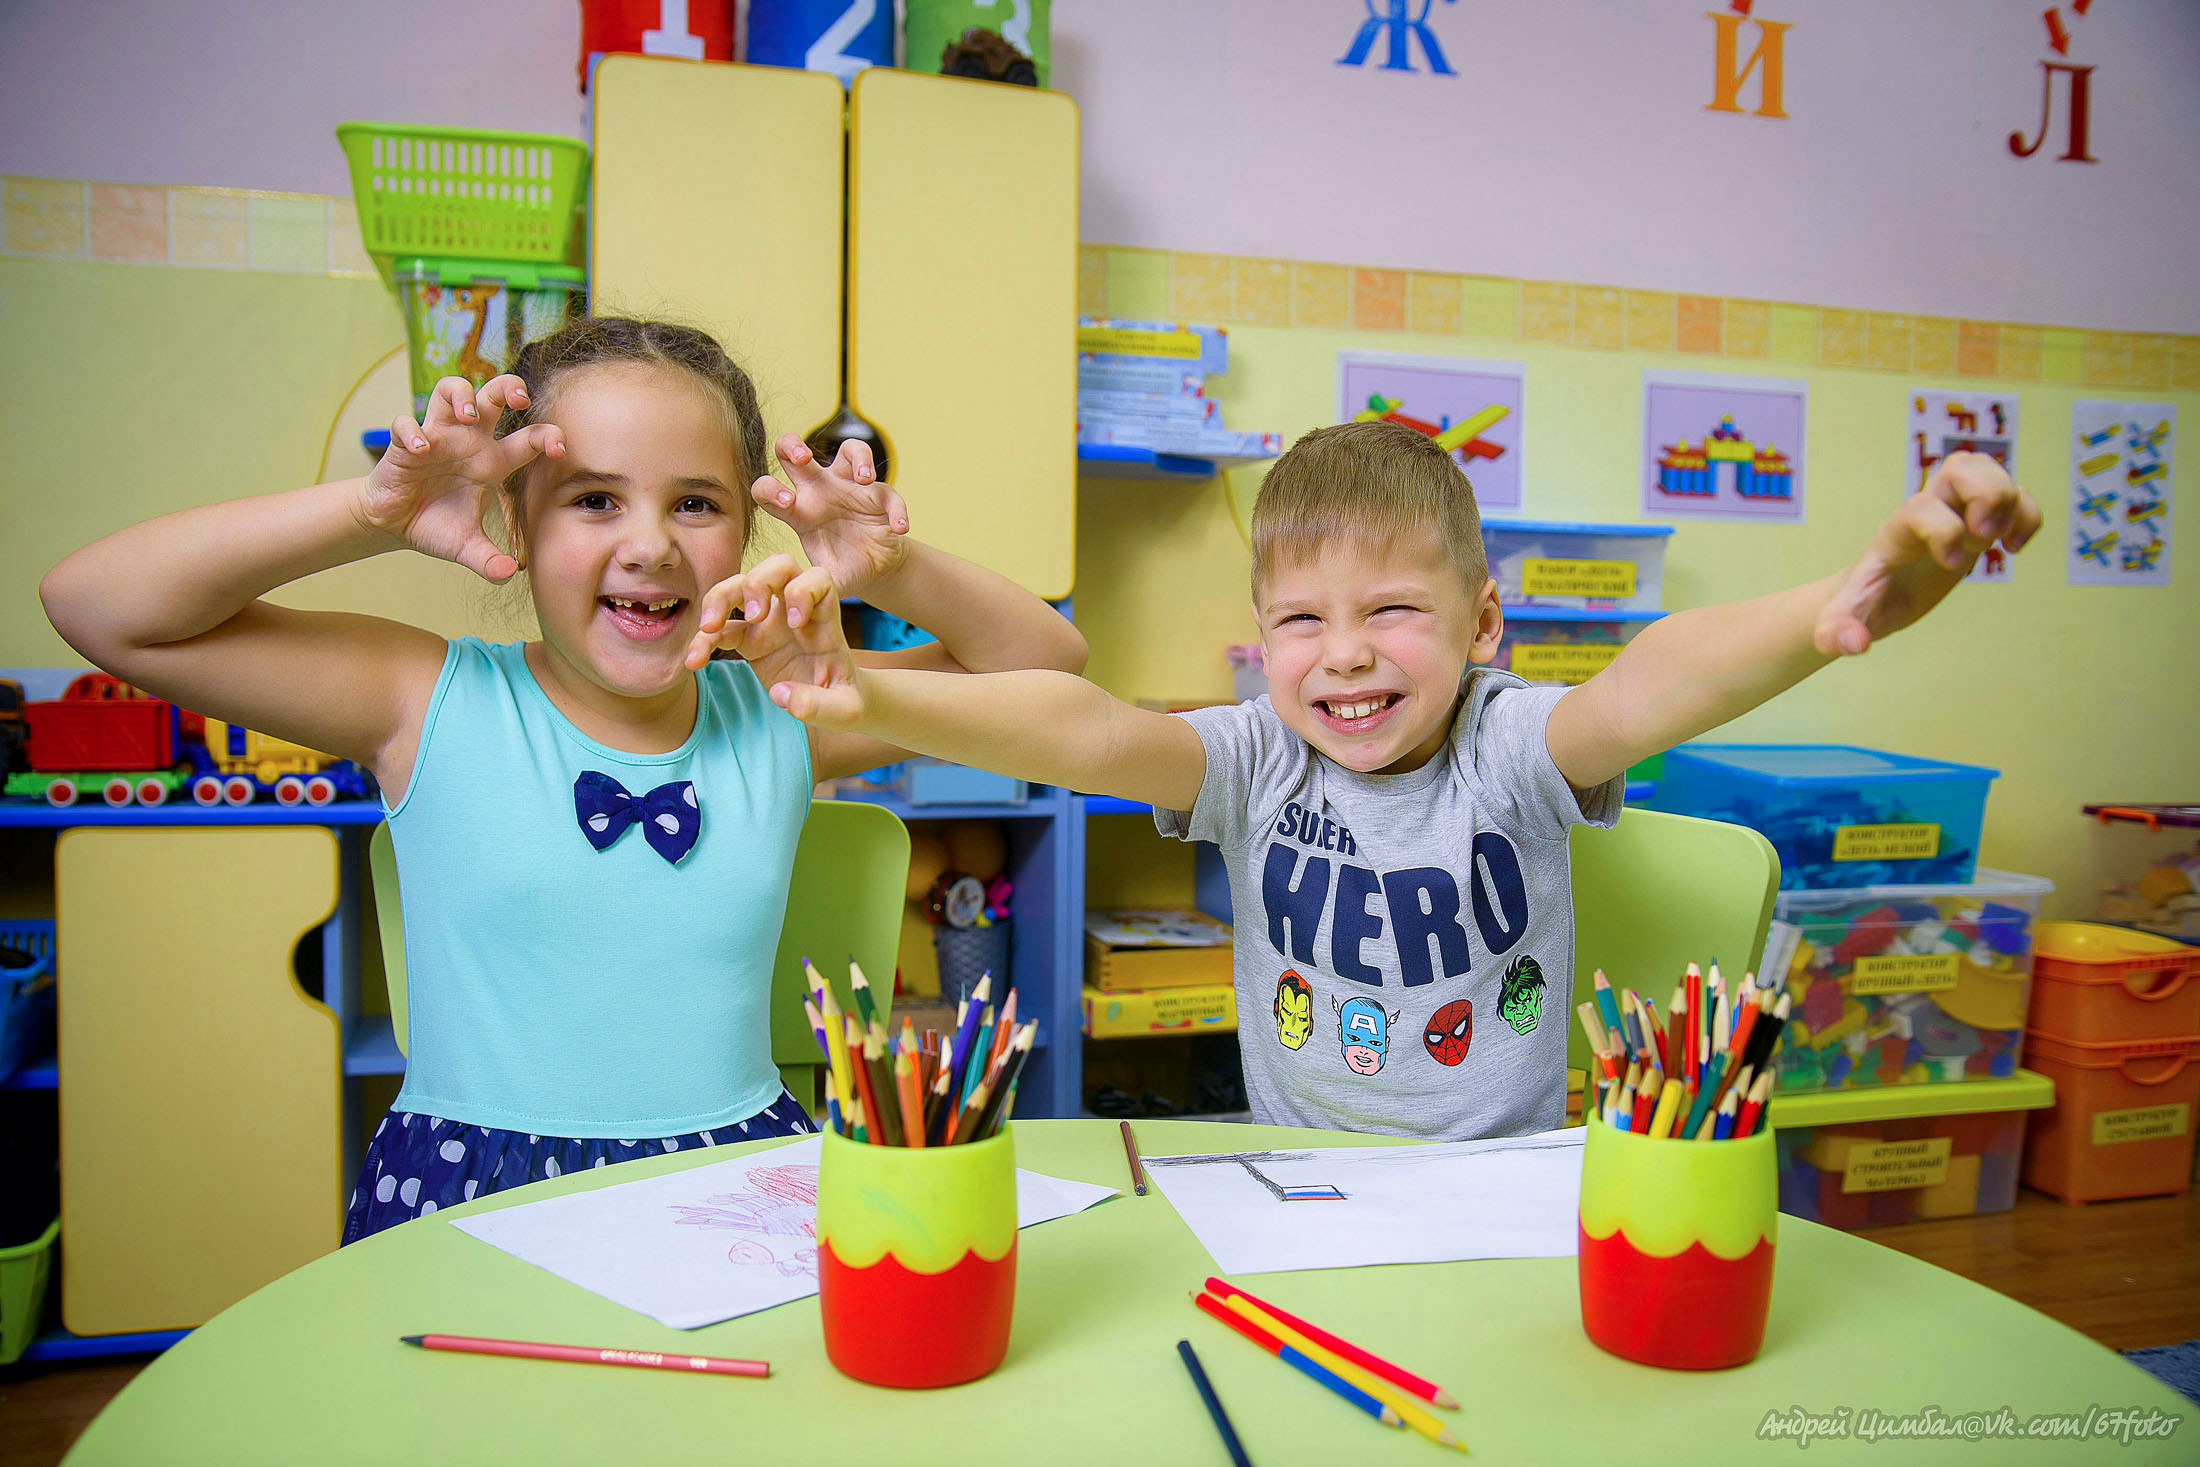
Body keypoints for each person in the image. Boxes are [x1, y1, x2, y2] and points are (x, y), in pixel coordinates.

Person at [39, 316, 1086, 1237]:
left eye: (694, 503)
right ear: (510, 521)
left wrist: (891, 565)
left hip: (736, 1182)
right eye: (593, 500)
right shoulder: (425, 698)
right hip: (471, 1190)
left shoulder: (786, 708)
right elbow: (98, 605)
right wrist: (369, 511)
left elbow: (1045, 668)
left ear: (745, 532)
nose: (650, 545)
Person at [701, 420, 2039, 1140]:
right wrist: (865, 690)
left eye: (1394, 609)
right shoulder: (1255, 751)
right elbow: (1088, 730)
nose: (1342, 656)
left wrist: (1838, 601)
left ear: (1484, 625)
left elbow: (1651, 679)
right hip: (1290, 1175)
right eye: (1299, 622)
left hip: (1504, 1180)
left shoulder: (1513, 740)